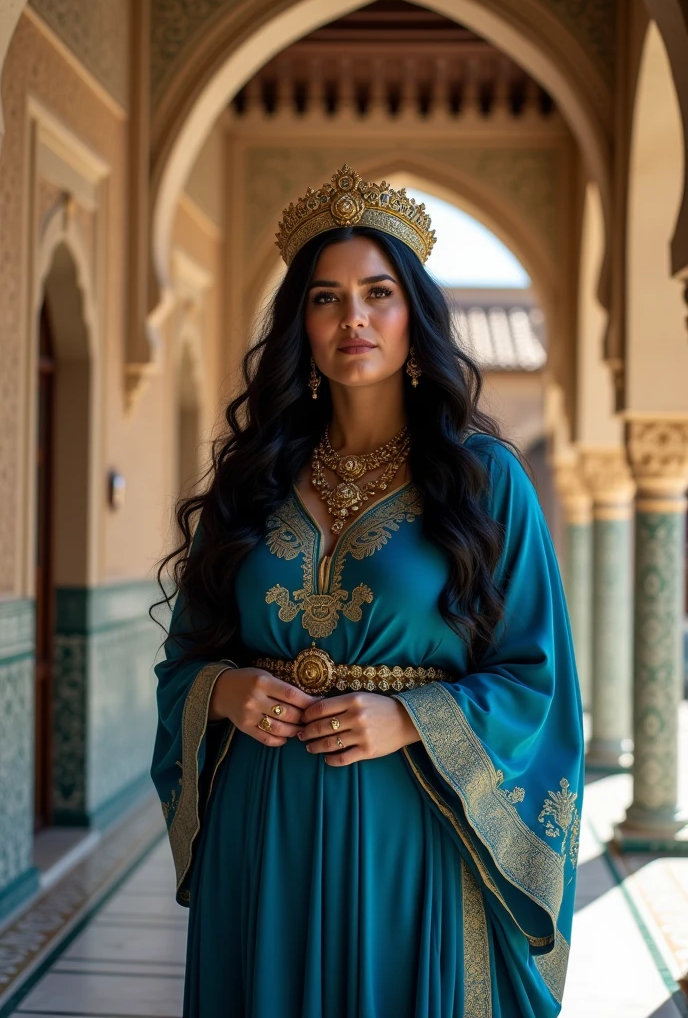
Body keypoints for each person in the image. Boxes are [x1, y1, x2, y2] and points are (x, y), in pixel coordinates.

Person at [150, 164, 584, 1018]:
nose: (353, 316)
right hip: (261, 829)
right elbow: (184, 661)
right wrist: (226, 689)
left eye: (378, 292)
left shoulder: (486, 482)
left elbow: (538, 682)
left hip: (413, 831)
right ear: (300, 326)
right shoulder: (250, 481)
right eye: (325, 297)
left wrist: (413, 717)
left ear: (413, 317)